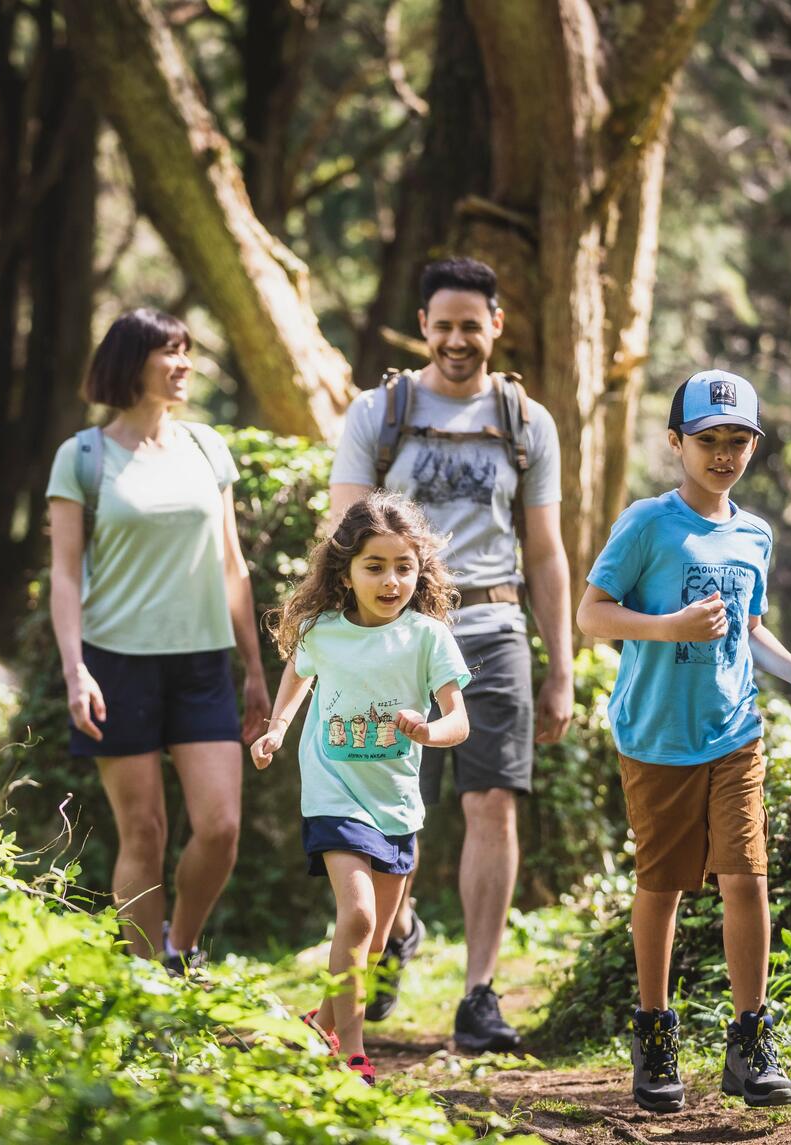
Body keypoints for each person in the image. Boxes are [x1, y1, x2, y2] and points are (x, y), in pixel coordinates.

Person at [327, 257, 571, 1051]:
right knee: (395, 800)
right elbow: (343, 541)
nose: (458, 339)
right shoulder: (379, 412)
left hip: (493, 628)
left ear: (497, 325)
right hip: (392, 636)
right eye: (444, 325)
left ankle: (479, 993)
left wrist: (561, 663)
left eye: (474, 324)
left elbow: (545, 552)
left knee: (491, 802)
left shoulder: (527, 421)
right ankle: (393, 935)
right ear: (422, 326)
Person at [575, 369, 791, 1113]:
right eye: (709, 440)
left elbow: (749, 627)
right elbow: (593, 614)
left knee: (745, 877)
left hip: (733, 730)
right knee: (661, 887)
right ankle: (654, 1030)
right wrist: (666, 628)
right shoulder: (648, 524)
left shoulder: (755, 533)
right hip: (656, 736)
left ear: (753, 446)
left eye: (737, 441)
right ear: (676, 442)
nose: (723, 454)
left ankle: (750, 1037)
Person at [46, 308, 270, 974]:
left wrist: (255, 667)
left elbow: (233, 564)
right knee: (142, 832)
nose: (182, 365)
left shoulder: (206, 448)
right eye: (167, 352)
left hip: (202, 662)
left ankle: (183, 943)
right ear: (131, 362)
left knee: (221, 827)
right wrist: (74, 670)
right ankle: (147, 986)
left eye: (187, 351)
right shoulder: (82, 457)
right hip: (116, 663)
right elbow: (63, 574)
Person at [250, 491, 472, 1086]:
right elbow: (298, 673)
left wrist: (429, 728)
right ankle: (351, 1051)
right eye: (374, 566)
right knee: (359, 914)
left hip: (396, 804)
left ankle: (321, 1020)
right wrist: (275, 731)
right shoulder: (323, 630)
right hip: (334, 793)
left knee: (372, 942)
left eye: (403, 566)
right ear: (345, 573)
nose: (391, 580)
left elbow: (459, 719)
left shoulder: (428, 638)